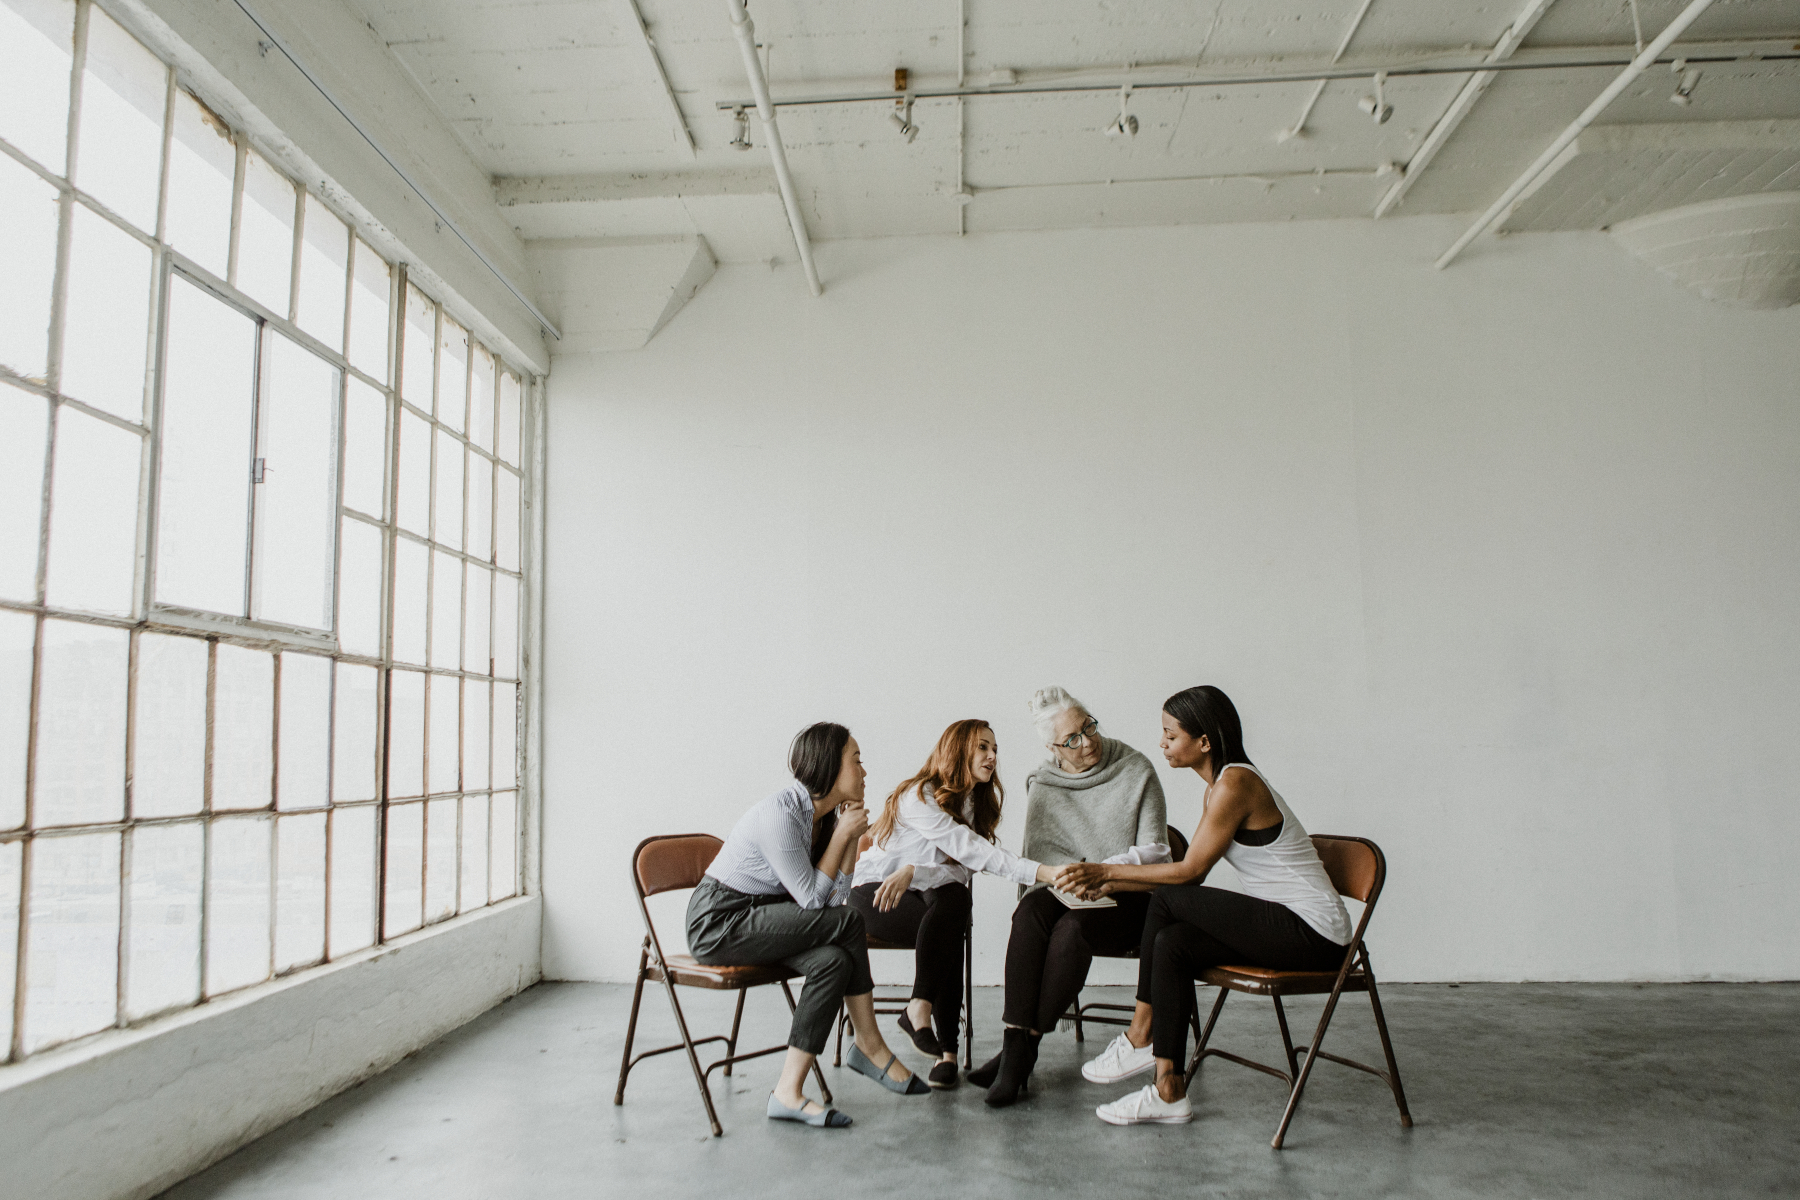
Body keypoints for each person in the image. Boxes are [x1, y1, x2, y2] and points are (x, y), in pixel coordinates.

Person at [1057, 686, 1352, 1127]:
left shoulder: (1237, 783)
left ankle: (1140, 1036)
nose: (1162, 744)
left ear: (1204, 742)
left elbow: (1189, 873)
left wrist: (1107, 874)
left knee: (1170, 900)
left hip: (1316, 934)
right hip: (1286, 928)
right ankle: (1168, 1089)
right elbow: (1194, 876)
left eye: (1170, 735)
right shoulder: (1217, 789)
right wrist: (1110, 878)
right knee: (1174, 942)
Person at [686, 722, 930, 1130]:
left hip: (766, 916)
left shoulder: (824, 819)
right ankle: (869, 1044)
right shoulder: (781, 813)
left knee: (833, 960)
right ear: (830, 766)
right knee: (850, 921)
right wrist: (843, 836)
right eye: (857, 760)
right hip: (721, 921)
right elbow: (816, 902)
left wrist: (848, 839)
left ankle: (788, 1092)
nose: (865, 771)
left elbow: (833, 901)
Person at [969, 686, 1170, 1108]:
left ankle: (1021, 1052)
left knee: (1073, 929)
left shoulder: (1135, 768)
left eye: (1089, 727)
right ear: (1052, 747)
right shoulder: (1045, 783)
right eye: (1073, 739)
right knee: (1030, 913)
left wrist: (1103, 872)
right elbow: (1042, 858)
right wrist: (1073, 879)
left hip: (1129, 898)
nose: (1088, 741)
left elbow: (1158, 853)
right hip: (1069, 890)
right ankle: (1014, 1043)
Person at [849, 719, 1065, 1089]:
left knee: (952, 904)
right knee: (948, 918)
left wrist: (914, 871)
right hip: (875, 893)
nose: (992, 755)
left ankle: (927, 1022)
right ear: (958, 749)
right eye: (982, 747)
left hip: (924, 896)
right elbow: (966, 851)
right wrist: (1046, 873)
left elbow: (960, 871)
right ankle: (939, 1040)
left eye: (994, 748)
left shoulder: (972, 805)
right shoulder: (919, 794)